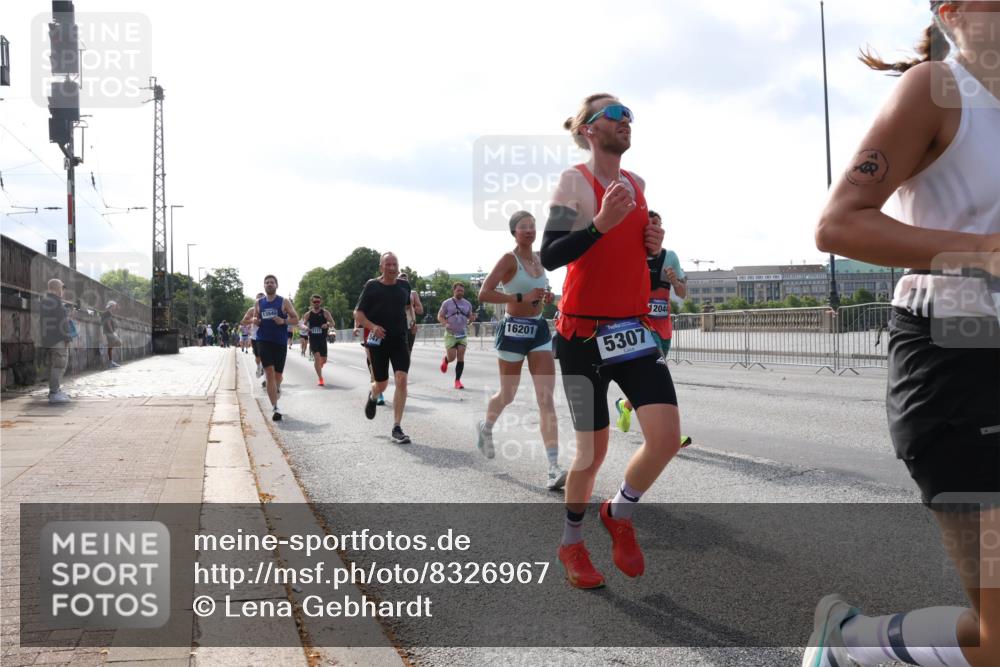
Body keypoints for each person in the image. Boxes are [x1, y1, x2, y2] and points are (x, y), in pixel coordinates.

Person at [803, 4, 1000, 667]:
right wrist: (980, 250)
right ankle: (850, 645)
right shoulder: (938, 90)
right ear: (951, 12)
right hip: (958, 356)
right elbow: (838, 225)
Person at [540, 93, 679, 590]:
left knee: (665, 439)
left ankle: (618, 511)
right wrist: (599, 223)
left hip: (632, 330)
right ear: (591, 128)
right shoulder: (574, 182)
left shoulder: (638, 185)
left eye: (630, 117)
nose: (628, 122)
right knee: (591, 455)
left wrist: (652, 247)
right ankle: (571, 543)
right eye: (617, 116)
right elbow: (552, 255)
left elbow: (631, 260)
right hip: (580, 337)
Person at [477, 210, 567, 491]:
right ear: (514, 232)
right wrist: (520, 297)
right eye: (523, 227)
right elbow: (484, 293)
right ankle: (486, 427)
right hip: (513, 331)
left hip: (538, 330)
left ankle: (553, 467)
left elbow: (538, 293)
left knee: (546, 399)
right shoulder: (508, 259)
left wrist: (545, 298)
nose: (529, 230)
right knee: (508, 394)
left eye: (532, 226)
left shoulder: (540, 259)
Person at [614, 210, 691, 447]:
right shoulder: (631, 254)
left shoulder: (671, 257)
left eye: (658, 224)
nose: (654, 228)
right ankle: (668, 435)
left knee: (652, 378)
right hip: (640, 326)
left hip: (664, 326)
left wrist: (674, 280)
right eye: (649, 225)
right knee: (659, 377)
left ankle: (625, 405)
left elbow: (682, 293)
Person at [354, 252, 413, 444]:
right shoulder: (372, 286)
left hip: (399, 339)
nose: (392, 267)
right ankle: (373, 396)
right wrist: (373, 326)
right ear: (381, 267)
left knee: (401, 379)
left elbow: (407, 307)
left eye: (394, 263)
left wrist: (412, 321)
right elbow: (358, 313)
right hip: (378, 341)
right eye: (387, 264)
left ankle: (396, 427)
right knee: (382, 384)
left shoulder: (404, 286)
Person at [251, 275, 298, 421]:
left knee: (277, 377)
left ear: (276, 285)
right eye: (267, 282)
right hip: (263, 340)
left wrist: (283, 320)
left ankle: (277, 386)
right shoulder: (259, 303)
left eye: (272, 282)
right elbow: (256, 320)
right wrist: (255, 321)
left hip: (280, 342)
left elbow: (295, 319)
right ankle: (275, 408)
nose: (269, 284)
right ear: (264, 286)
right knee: (269, 373)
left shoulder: (284, 301)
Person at [40, 278, 74, 403]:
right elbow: (61, 323)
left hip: (49, 339)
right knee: (59, 365)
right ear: (57, 288)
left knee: (55, 365)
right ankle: (54, 393)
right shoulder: (56, 302)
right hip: (58, 339)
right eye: (62, 288)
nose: (63, 291)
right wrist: (67, 338)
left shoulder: (45, 301)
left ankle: (55, 391)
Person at [438, 282, 476, 389]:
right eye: (458, 290)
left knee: (461, 355)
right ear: (454, 291)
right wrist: (445, 323)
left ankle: (457, 381)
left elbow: (470, 317)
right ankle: (446, 360)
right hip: (450, 334)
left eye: (462, 291)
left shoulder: (468, 304)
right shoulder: (447, 303)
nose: (460, 292)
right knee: (452, 357)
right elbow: (440, 316)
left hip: (462, 334)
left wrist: (472, 318)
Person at [304, 294, 334, 386]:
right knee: (317, 358)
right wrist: (305, 328)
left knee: (323, 360)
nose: (316, 303)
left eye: (318, 301)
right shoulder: (308, 314)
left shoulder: (325, 312)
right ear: (311, 302)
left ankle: (320, 366)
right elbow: (302, 324)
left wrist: (327, 325)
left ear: (321, 302)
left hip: (322, 339)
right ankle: (320, 378)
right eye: (314, 302)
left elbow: (333, 323)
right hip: (313, 339)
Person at [240, 292, 267, 377]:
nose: (260, 300)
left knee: (266, 357)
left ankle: (266, 378)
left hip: (267, 336)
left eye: (262, 299)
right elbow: (243, 321)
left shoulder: (269, 308)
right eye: (258, 299)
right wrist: (252, 321)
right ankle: (259, 367)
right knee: (258, 357)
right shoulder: (251, 310)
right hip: (255, 337)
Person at [398, 272, 424, 353]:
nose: (404, 281)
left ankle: (405, 365)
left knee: (409, 349)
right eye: (401, 279)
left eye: (405, 280)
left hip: (410, 324)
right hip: (398, 325)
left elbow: (420, 311)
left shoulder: (413, 293)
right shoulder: (394, 292)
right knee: (399, 349)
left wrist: (412, 305)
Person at [101, 300, 122, 369]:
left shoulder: (107, 313)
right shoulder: (108, 313)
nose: (115, 307)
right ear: (111, 306)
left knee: (110, 347)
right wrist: (112, 332)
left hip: (108, 332)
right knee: (118, 342)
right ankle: (110, 363)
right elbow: (108, 323)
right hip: (109, 332)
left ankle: (111, 362)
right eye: (114, 306)